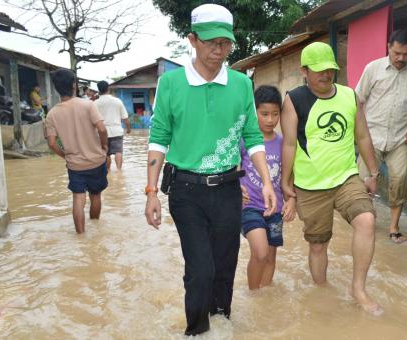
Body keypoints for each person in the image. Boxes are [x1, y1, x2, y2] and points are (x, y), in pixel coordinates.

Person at [143, 4, 277, 336]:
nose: (219, 50)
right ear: (192, 39)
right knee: (200, 270)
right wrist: (150, 192)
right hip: (186, 191)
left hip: (230, 190)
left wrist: (268, 182)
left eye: (225, 43)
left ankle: (222, 324)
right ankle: (196, 331)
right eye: (211, 42)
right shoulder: (171, 84)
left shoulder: (241, 84)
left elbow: (251, 135)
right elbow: (159, 138)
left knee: (225, 266)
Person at [280, 42, 383, 315]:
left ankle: (358, 289)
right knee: (317, 244)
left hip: (346, 177)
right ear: (304, 71)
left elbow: (362, 136)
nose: (326, 75)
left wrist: (373, 173)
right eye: (319, 70)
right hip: (310, 185)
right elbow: (289, 144)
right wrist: (284, 182)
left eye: (330, 70)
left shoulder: (350, 96)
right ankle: (321, 291)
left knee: (367, 220)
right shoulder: (294, 99)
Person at [355, 29, 407, 244]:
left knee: (400, 181)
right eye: (397, 52)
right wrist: (358, 130)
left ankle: (394, 227)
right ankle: (366, 221)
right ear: (389, 46)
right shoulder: (373, 68)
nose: (401, 58)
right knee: (364, 181)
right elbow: (359, 100)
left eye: (406, 54)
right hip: (371, 135)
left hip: (401, 137)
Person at [240, 85, 296, 290]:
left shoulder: (284, 143)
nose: (270, 119)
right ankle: (253, 293)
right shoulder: (245, 140)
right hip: (250, 207)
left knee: (271, 257)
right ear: (254, 112)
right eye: (264, 114)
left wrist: (292, 200)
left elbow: (290, 176)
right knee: (261, 252)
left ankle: (264, 297)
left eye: (275, 114)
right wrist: (237, 188)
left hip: (275, 209)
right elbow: (234, 167)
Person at [45, 69, 109, 234]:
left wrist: (65, 155)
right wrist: (104, 146)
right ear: (74, 85)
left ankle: (80, 236)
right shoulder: (88, 105)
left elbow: (51, 143)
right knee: (96, 196)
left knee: (78, 198)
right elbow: (102, 129)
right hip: (96, 160)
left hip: (75, 165)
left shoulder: (51, 114)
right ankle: (95, 227)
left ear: (56, 88)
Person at [95, 80, 131, 171]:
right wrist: (128, 128)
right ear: (108, 89)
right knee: (118, 151)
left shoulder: (95, 103)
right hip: (117, 131)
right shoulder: (117, 101)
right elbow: (125, 117)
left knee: (106, 153)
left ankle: (108, 171)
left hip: (102, 132)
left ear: (99, 90)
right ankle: (119, 171)